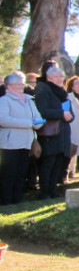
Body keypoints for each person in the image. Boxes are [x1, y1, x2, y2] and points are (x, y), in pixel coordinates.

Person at [0, 72, 44, 205]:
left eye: (22, 83)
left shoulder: (29, 100)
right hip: (10, 143)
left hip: (27, 142)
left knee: (21, 172)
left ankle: (17, 199)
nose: (21, 86)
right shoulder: (4, 100)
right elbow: (4, 120)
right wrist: (29, 123)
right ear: (9, 85)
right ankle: (6, 200)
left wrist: (37, 123)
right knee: (9, 173)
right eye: (18, 84)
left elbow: (38, 118)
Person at [35, 65, 74, 199]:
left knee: (58, 163)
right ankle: (44, 192)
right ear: (49, 77)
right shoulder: (43, 89)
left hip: (62, 132)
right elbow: (42, 110)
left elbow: (69, 111)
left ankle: (53, 191)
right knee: (48, 163)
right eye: (56, 76)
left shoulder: (62, 92)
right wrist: (61, 114)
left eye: (61, 77)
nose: (59, 79)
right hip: (50, 134)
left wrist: (70, 116)